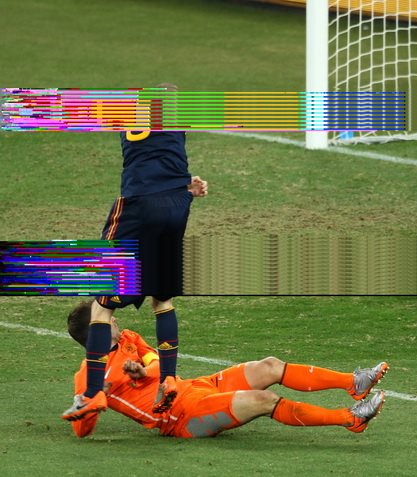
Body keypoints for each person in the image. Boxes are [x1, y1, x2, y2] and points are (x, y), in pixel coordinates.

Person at [62, 83, 209, 422]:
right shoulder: (176, 127)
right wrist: (187, 188)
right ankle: (169, 379)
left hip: (139, 206)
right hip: (177, 206)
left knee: (102, 305)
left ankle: (92, 394)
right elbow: (168, 160)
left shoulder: (125, 123)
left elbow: (147, 162)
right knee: (163, 299)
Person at [63, 302, 389, 438]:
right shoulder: (88, 376)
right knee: (263, 400)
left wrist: (144, 372)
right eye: (106, 318)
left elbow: (159, 363)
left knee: (269, 366)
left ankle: (353, 383)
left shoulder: (128, 340)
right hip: (182, 418)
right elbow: (81, 429)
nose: (113, 317)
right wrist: (98, 399)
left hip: (197, 387)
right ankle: (350, 418)